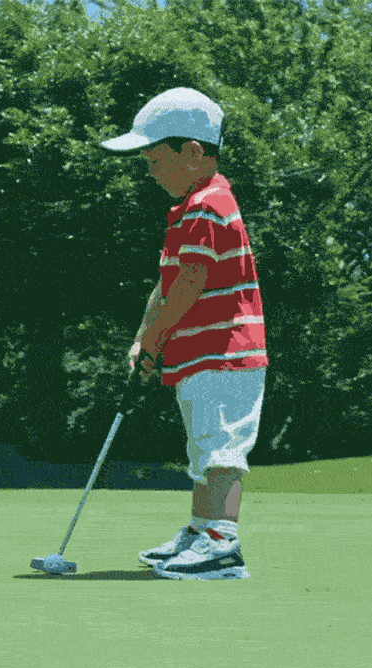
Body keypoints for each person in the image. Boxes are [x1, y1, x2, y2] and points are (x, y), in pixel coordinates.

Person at [100, 87, 268, 580]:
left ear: (192, 152)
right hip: (200, 354)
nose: (149, 171)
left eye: (155, 159)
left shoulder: (210, 205)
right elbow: (166, 286)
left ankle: (222, 544)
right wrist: (142, 341)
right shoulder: (188, 210)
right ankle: (201, 530)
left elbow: (188, 287)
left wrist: (154, 341)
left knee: (221, 451)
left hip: (227, 352)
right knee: (203, 450)